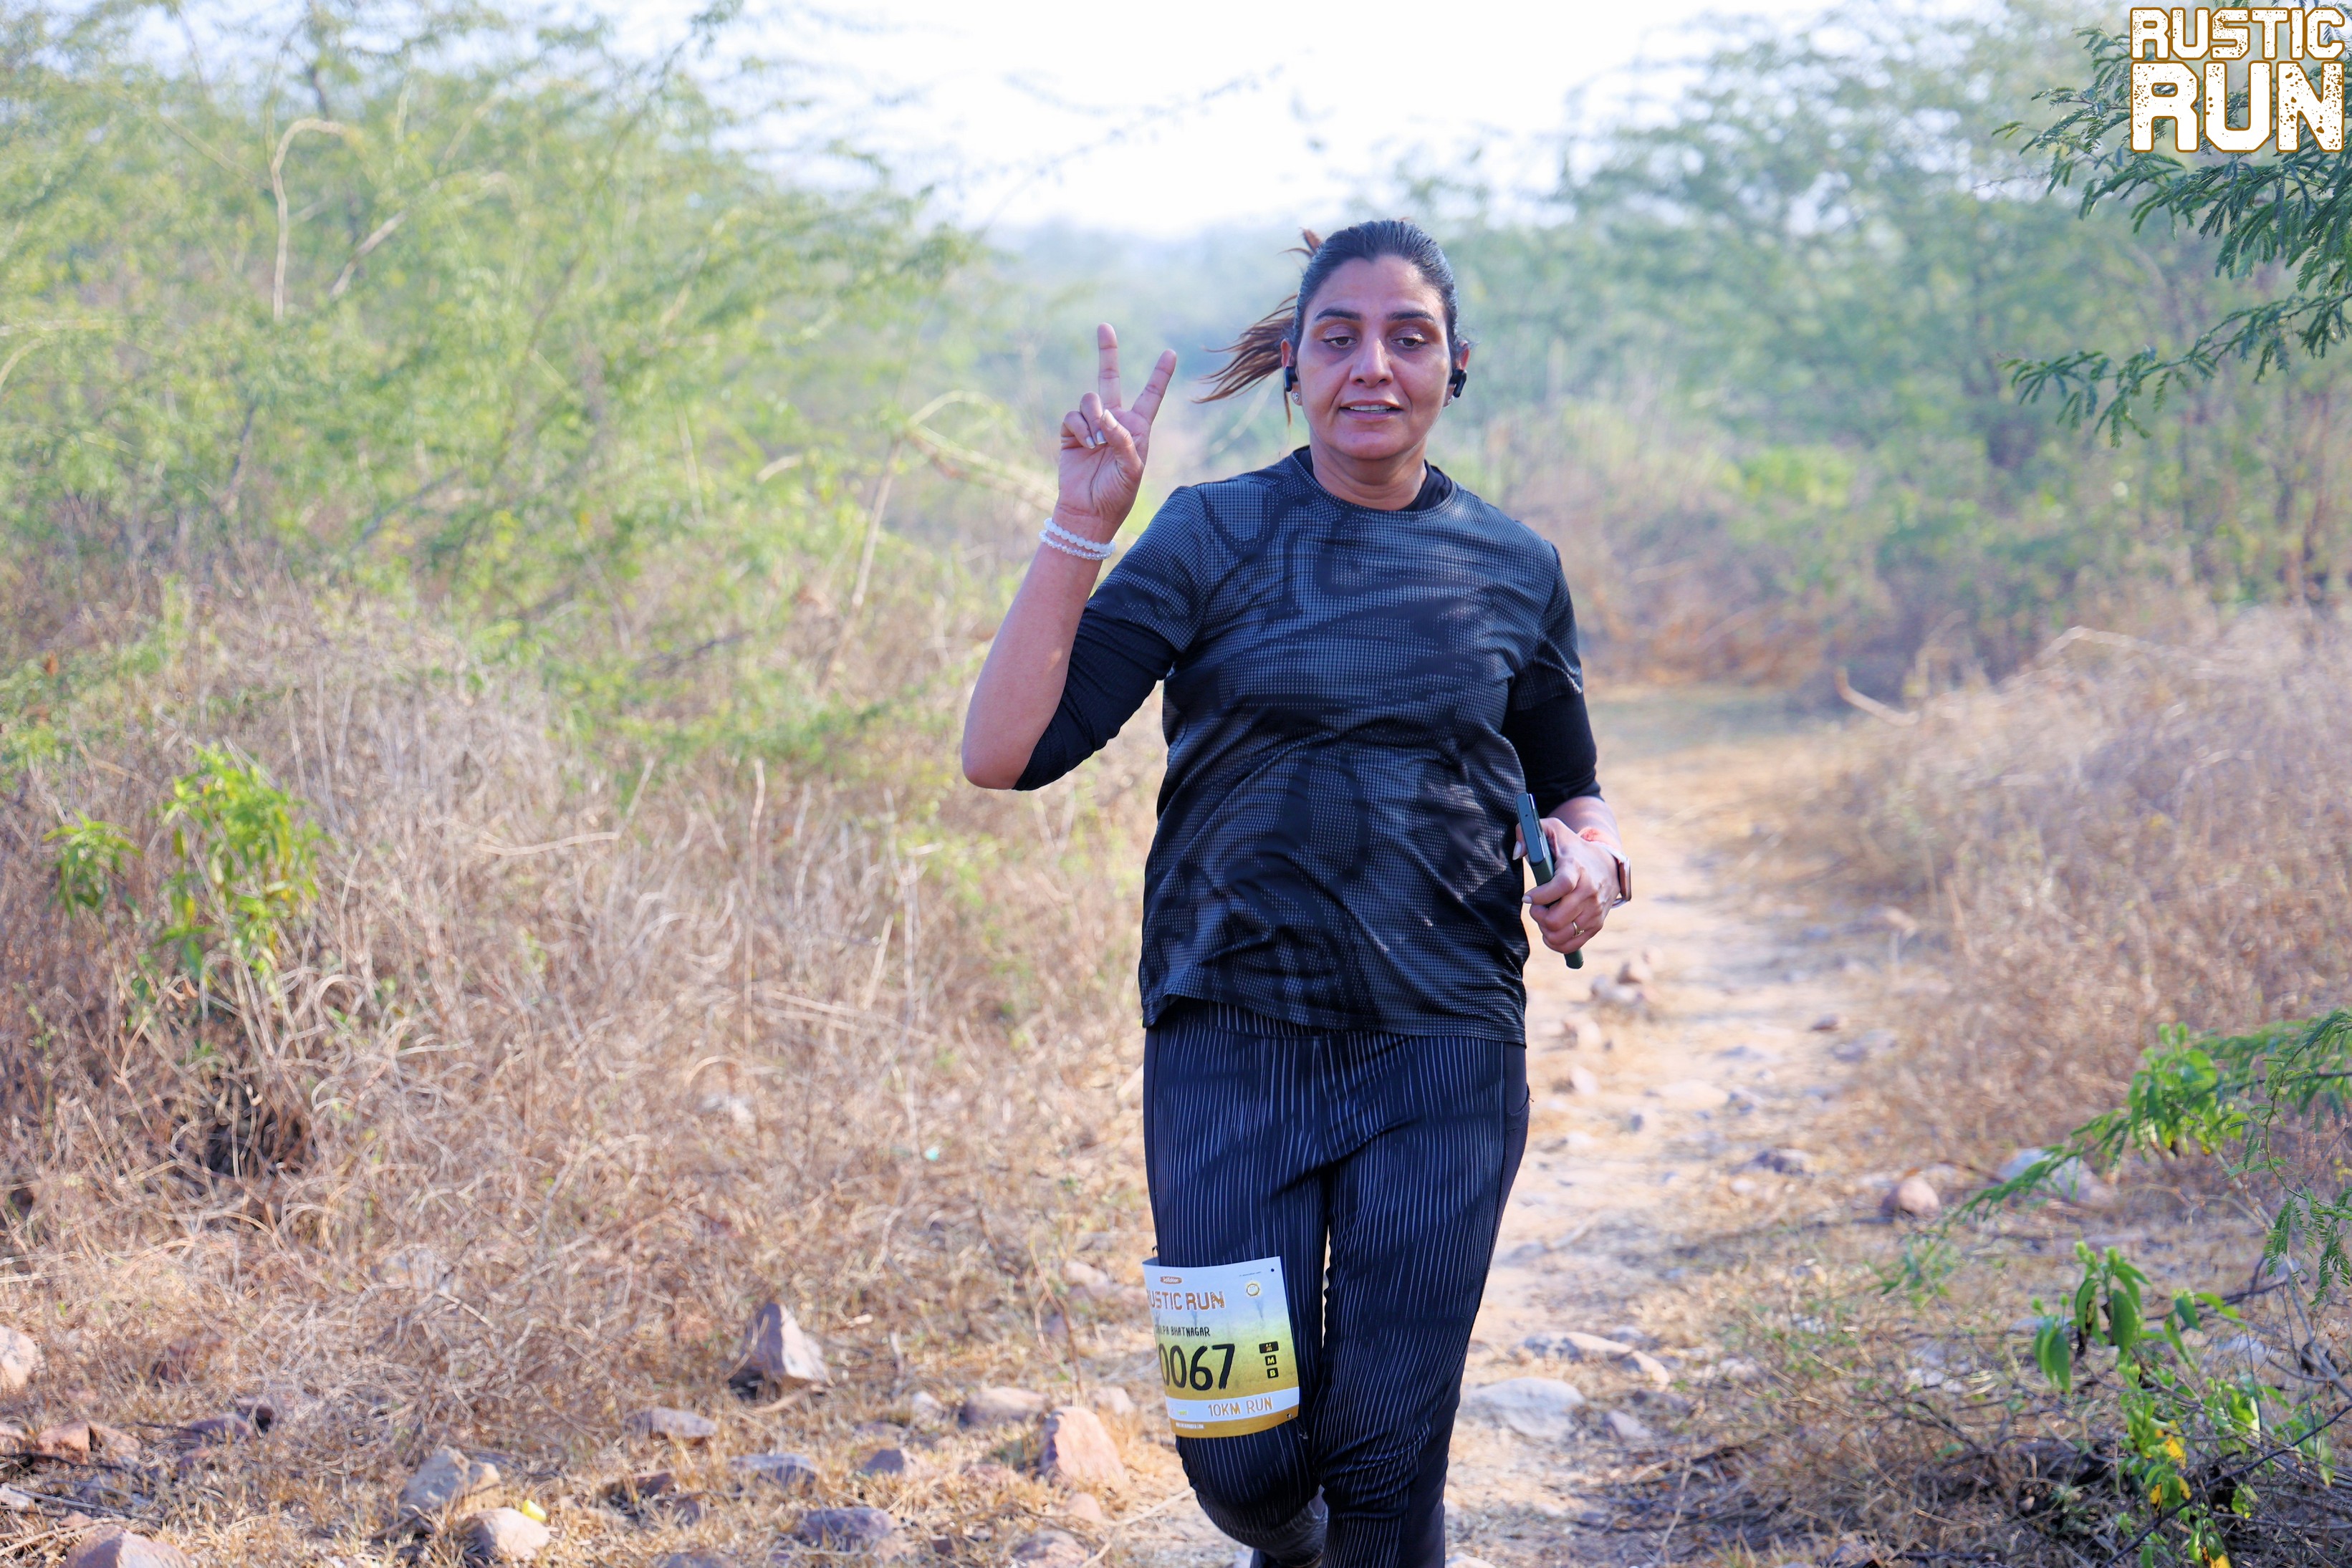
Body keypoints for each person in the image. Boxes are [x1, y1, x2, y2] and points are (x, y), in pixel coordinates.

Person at [961, 219, 1628, 1568]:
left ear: (1453, 368)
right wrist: (1081, 524)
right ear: (1296, 368)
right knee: (1243, 1457)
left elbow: (1571, 787)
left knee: (1386, 1463)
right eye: (1340, 337)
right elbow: (1004, 752)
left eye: (1409, 337)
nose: (1373, 364)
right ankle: (1287, 1538)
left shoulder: (1514, 566)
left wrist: (1593, 864)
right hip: (1226, 1042)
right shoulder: (1211, 533)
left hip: (1443, 1051)